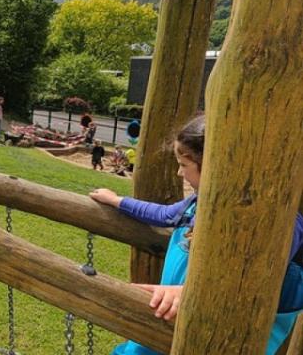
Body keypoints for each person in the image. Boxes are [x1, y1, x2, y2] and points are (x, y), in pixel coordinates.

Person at [90, 115, 303, 355]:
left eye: (184, 164)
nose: (180, 173)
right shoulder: (196, 204)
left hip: (221, 335)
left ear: (213, 164)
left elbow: (260, 273)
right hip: (171, 317)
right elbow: (163, 214)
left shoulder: (280, 223)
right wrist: (117, 201)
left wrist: (190, 293)